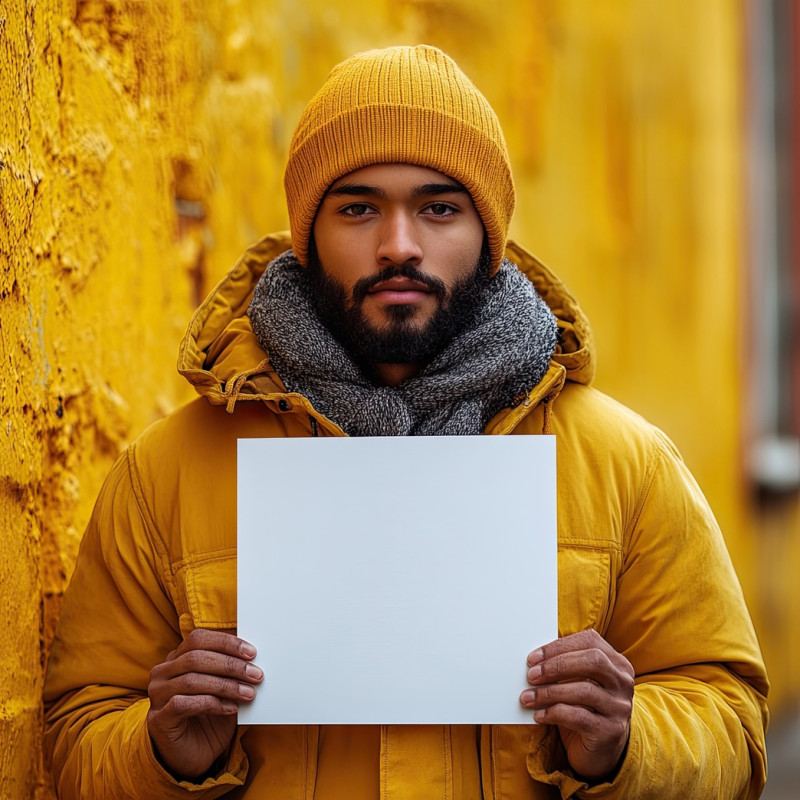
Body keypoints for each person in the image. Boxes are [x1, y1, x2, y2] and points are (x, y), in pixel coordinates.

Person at [43, 45, 769, 799]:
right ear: (307, 234)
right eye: (358, 207)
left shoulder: (623, 464)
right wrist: (162, 751)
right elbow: (76, 735)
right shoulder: (168, 472)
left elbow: (733, 725)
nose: (399, 245)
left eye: (439, 208)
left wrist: (626, 743)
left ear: (487, 234)